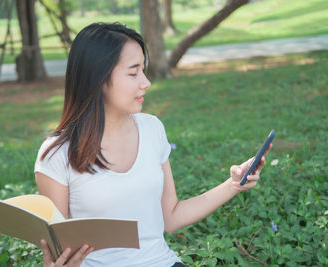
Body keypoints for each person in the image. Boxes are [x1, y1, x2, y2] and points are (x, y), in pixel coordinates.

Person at [34, 22, 271, 267]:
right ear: (98, 78)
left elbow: (171, 216)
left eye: (143, 70)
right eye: (133, 72)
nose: (146, 82)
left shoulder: (151, 128)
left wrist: (234, 184)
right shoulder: (57, 154)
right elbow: (58, 249)